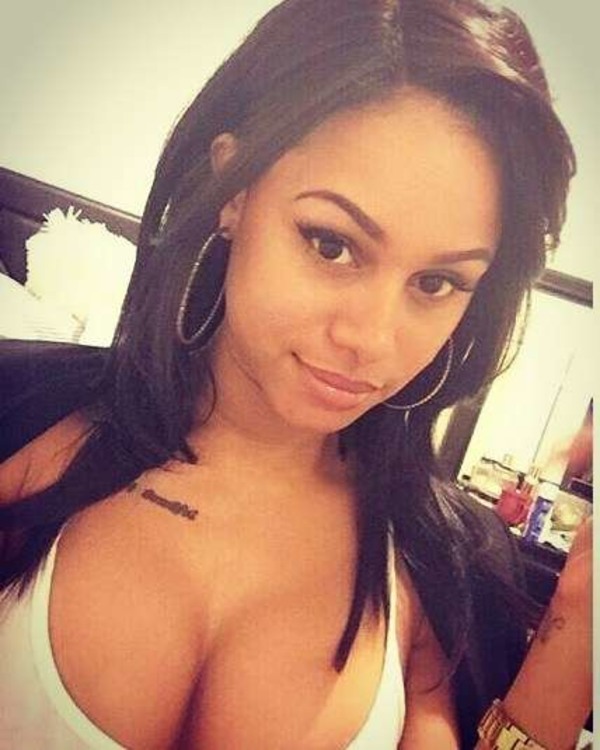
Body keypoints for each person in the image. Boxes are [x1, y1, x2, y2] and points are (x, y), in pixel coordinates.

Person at [0, 0, 591, 748]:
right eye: (332, 244)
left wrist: (579, 622)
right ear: (235, 189)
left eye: (436, 282)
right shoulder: (25, 425)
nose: (371, 338)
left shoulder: (443, 567)